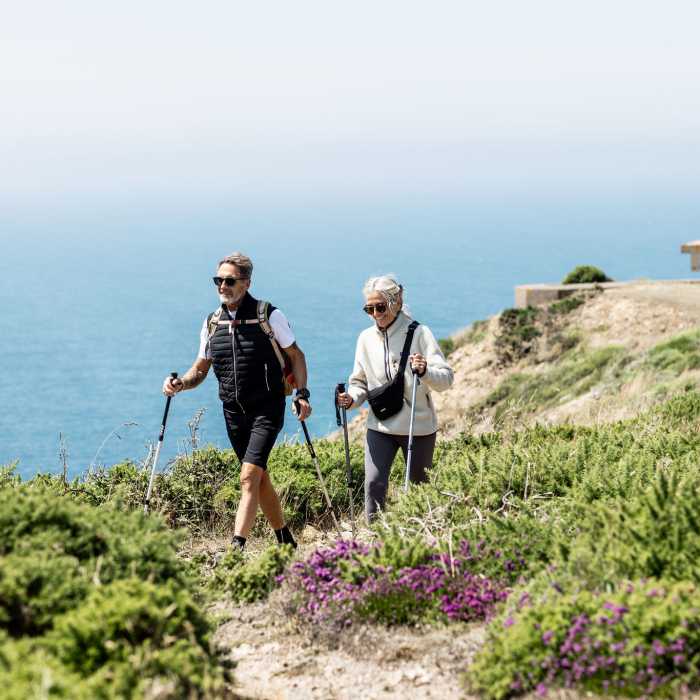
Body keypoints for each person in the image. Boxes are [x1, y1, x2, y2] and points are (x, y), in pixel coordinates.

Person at [162, 252, 311, 550]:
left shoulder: (268, 315)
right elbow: (200, 369)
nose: (222, 286)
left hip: (267, 408)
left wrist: (301, 394)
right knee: (258, 476)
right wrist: (181, 384)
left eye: (230, 281)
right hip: (233, 412)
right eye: (218, 280)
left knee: (247, 476)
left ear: (246, 283)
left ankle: (236, 547)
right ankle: (285, 539)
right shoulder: (211, 323)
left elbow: (296, 356)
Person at [336, 275, 454, 522]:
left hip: (417, 427)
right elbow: (359, 383)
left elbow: (446, 379)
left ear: (397, 302)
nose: (376, 314)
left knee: (419, 490)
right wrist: (351, 399)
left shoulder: (420, 333)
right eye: (369, 309)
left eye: (381, 307)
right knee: (373, 485)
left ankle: (420, 538)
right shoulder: (365, 339)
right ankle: (375, 541)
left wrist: (425, 371)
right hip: (379, 425)